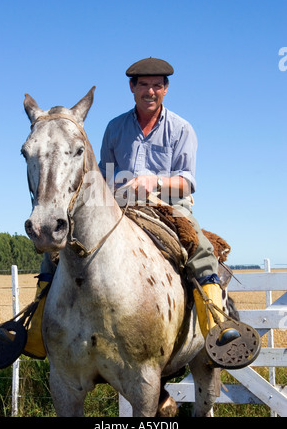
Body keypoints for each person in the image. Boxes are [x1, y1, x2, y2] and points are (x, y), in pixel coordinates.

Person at [98, 57, 239, 346]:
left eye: (157, 86)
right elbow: (104, 175)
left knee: (199, 247)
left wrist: (154, 181)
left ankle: (216, 321)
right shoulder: (114, 128)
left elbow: (187, 182)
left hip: (169, 206)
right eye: (144, 85)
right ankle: (36, 325)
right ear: (132, 88)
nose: (150, 91)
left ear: (165, 90)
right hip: (121, 206)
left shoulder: (181, 128)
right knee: (65, 245)